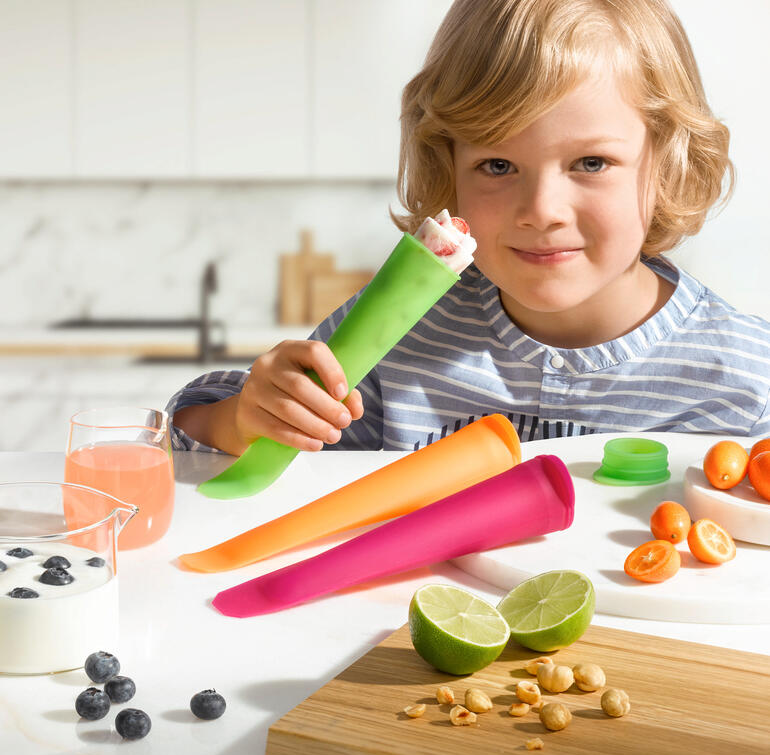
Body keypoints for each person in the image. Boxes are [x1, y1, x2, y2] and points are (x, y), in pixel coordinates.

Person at [168, 0, 770, 456]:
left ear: (669, 163)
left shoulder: (747, 384)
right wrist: (250, 420)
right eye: (498, 165)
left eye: (591, 163)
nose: (542, 209)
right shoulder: (402, 333)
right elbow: (189, 449)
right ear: (448, 168)